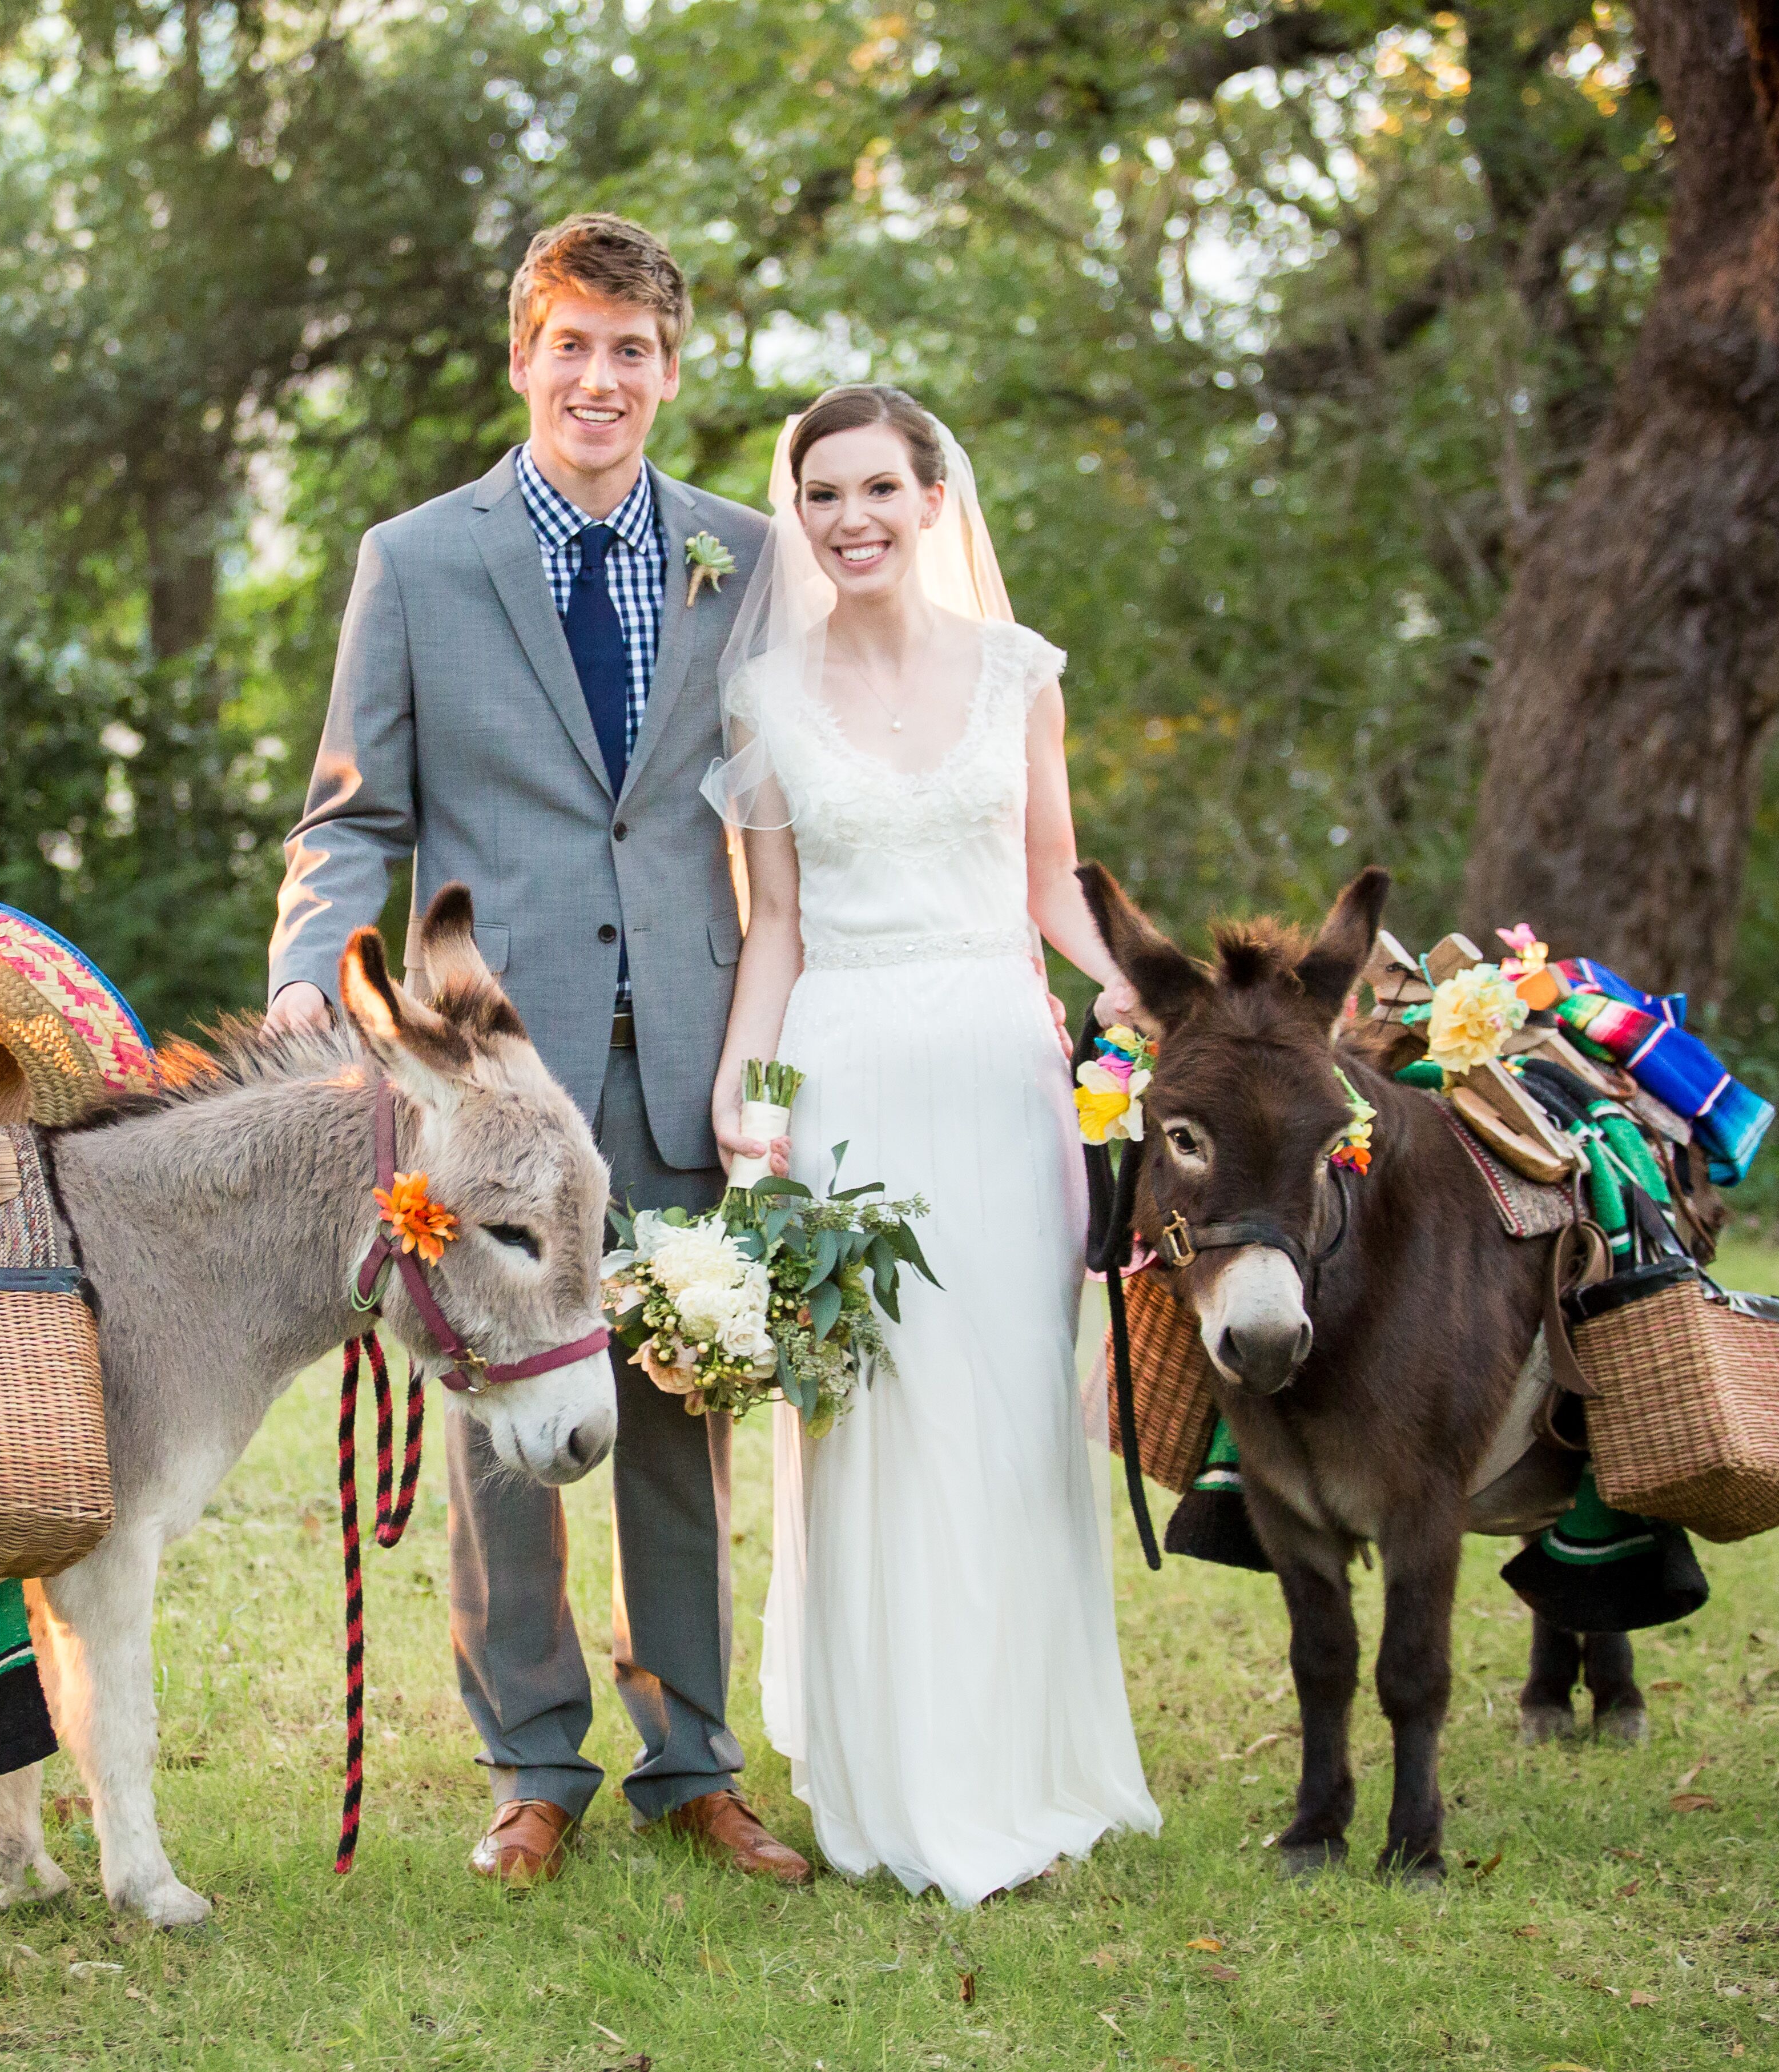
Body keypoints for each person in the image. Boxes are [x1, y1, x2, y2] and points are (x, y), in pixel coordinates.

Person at [265, 214, 802, 1886]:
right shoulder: (417, 561)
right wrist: (307, 983)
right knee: (507, 1419)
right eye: (571, 343)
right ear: (524, 355)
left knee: (676, 1404)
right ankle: (531, 1767)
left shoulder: (745, 555)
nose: (599, 377)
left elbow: (784, 812)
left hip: (683, 1056)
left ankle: (695, 1763)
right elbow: (355, 815)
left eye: (630, 350)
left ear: (666, 369)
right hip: (495, 1081)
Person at [705, 384, 1161, 1902]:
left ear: (930, 500)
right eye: (822, 494)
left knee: (1007, 1415)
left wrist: (1144, 999)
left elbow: (1051, 882)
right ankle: (890, 1771)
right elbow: (770, 928)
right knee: (872, 1420)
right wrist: (747, 1099)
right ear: (799, 513)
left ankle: (1020, 1755)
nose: (851, 520)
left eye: (879, 490)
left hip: (998, 1073)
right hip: (844, 1077)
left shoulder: (1016, 674)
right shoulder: (762, 698)